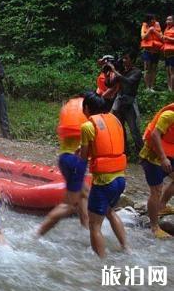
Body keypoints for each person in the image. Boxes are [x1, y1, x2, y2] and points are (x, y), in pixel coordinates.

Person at [79, 92, 128, 258]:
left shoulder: (87, 126)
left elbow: (84, 158)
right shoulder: (114, 120)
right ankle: (126, 249)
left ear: (87, 108)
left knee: (94, 225)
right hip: (120, 179)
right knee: (110, 211)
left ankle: (101, 263)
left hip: (103, 183)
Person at [37, 97, 89, 236]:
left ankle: (86, 228)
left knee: (84, 193)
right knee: (70, 205)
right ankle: (39, 232)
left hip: (64, 158)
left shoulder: (68, 116)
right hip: (76, 161)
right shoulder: (88, 122)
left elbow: (60, 131)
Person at [140, 103, 174, 239]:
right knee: (156, 191)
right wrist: (163, 158)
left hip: (169, 154)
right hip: (152, 157)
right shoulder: (169, 115)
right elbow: (155, 135)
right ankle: (154, 227)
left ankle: (162, 206)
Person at [107, 51, 143, 156]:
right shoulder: (121, 70)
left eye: (126, 58)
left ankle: (142, 154)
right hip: (119, 102)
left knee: (134, 130)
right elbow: (109, 84)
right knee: (119, 127)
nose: (123, 60)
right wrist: (108, 73)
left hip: (130, 103)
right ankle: (124, 151)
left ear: (132, 60)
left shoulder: (137, 72)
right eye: (123, 58)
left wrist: (116, 72)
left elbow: (129, 82)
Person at [140, 14, 163, 91]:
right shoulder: (144, 26)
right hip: (147, 51)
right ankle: (147, 87)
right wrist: (149, 30)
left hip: (156, 51)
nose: (154, 21)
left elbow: (162, 38)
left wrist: (154, 31)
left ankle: (152, 87)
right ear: (148, 20)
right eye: (152, 19)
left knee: (153, 69)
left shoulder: (157, 26)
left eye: (154, 19)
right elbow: (143, 37)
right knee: (147, 68)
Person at [163, 15, 174, 91]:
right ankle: (169, 89)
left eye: (170, 20)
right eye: (167, 20)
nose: (168, 21)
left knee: (172, 71)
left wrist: (167, 38)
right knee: (167, 72)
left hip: (173, 54)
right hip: (166, 55)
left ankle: (172, 90)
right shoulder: (166, 29)